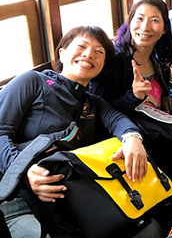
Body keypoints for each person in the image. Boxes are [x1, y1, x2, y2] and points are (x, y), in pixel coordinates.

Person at [0, 26, 148, 238]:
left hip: (69, 200)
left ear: (102, 66)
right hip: (18, 200)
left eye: (99, 52)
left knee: (146, 227)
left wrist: (133, 139)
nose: (89, 54)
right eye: (81, 46)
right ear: (62, 53)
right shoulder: (33, 81)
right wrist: (24, 174)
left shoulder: (92, 103)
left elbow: (117, 120)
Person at [90, 0, 172, 117]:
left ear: (165, 29)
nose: (145, 27)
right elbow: (100, 111)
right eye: (140, 18)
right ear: (130, 22)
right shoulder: (113, 60)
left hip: (157, 127)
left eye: (154, 20)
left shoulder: (161, 68)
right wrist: (134, 96)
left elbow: (162, 109)